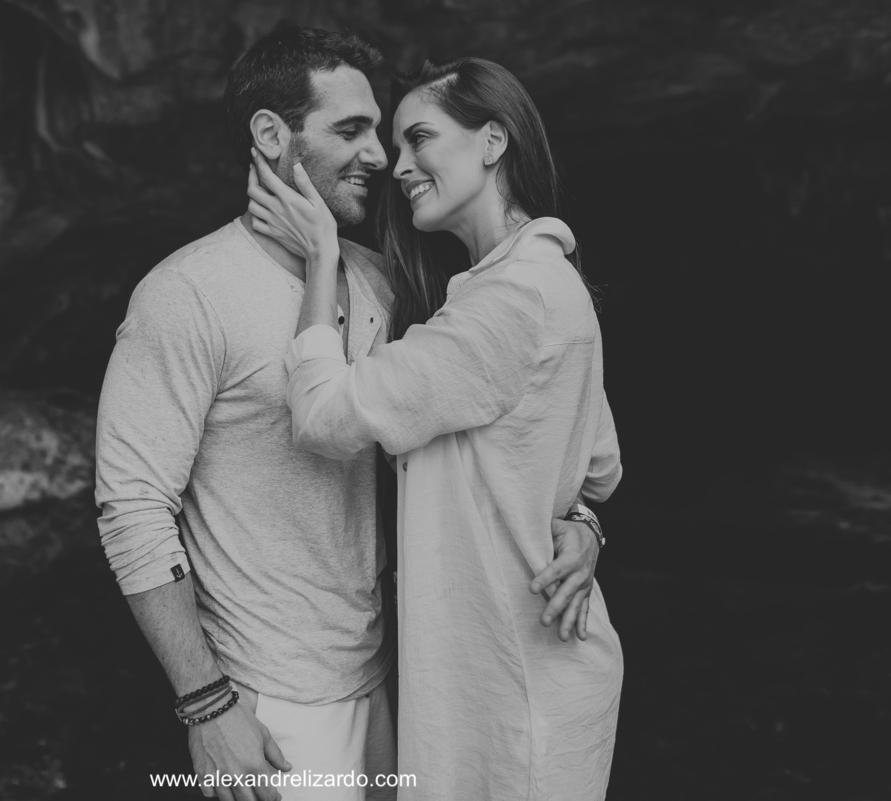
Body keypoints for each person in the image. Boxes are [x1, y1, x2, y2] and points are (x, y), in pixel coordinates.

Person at [97, 26, 603, 800]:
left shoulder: (385, 283)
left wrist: (578, 513)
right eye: (352, 130)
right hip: (269, 698)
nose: (380, 159)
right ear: (272, 135)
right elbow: (132, 507)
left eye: (392, 134)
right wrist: (207, 703)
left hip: (389, 684)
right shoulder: (185, 293)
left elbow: (525, 405)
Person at [247, 58, 624, 800]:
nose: (400, 164)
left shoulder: (510, 300)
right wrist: (581, 518)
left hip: (516, 695)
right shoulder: (530, 281)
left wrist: (322, 255)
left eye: (420, 138)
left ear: (492, 141)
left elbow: (323, 418)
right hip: (514, 671)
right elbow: (600, 462)